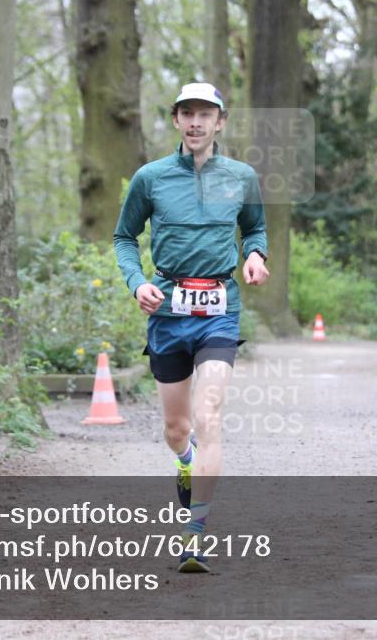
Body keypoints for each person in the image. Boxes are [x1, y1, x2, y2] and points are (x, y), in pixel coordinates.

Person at [113, 82, 269, 573]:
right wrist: (137, 282)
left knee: (210, 414)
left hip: (220, 306)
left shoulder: (241, 176)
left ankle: (194, 536)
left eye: (206, 113)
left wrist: (256, 255)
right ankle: (185, 460)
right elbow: (123, 237)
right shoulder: (150, 178)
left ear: (220, 121)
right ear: (176, 120)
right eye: (188, 113)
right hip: (169, 309)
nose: (196, 121)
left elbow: (256, 227)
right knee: (177, 428)